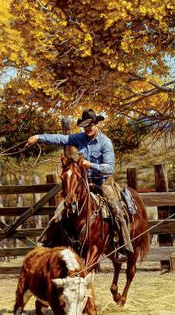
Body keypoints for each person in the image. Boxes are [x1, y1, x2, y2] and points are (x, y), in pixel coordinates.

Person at [26, 109, 134, 255]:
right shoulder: (79, 138)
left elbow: (110, 168)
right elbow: (60, 139)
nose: (88, 129)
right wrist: (38, 137)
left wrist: (91, 165)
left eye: (91, 125)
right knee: (61, 209)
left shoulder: (105, 142)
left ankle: (123, 245)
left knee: (116, 209)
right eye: (85, 126)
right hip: (83, 183)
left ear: (96, 124)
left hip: (103, 181)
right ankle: (47, 241)